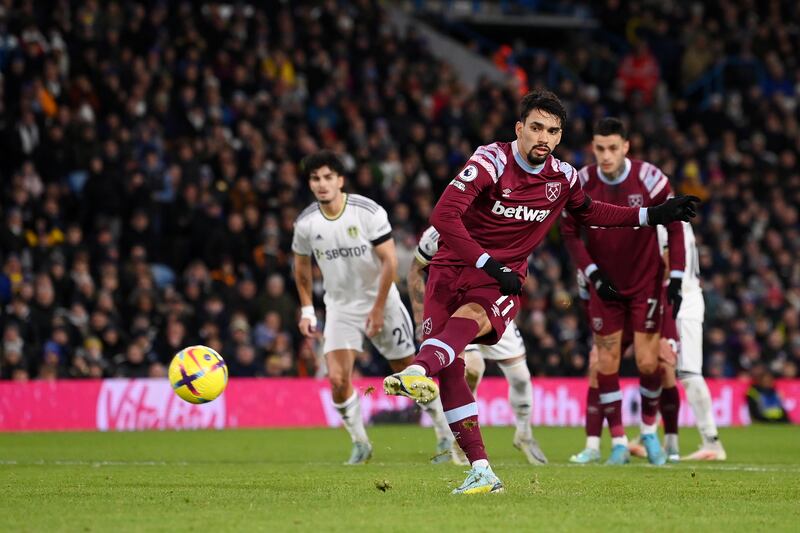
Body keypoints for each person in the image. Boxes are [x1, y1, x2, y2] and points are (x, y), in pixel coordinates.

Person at [382, 90, 699, 494]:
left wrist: (651, 214)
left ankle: (416, 369)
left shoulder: (563, 177)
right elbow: (443, 215)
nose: (543, 138)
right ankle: (482, 470)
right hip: (453, 268)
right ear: (519, 129)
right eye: (536, 128)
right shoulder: (491, 160)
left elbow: (591, 212)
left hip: (500, 281)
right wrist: (486, 262)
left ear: (560, 135)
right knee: (452, 370)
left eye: (552, 131)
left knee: (469, 325)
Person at [292, 151, 453, 465]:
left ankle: (444, 432)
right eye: (315, 179)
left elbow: (389, 262)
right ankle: (360, 443)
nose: (322, 184)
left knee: (409, 376)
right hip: (339, 307)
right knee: (338, 380)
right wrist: (308, 311)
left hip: (383, 301)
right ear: (310, 183)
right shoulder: (306, 223)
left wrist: (378, 309)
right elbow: (300, 269)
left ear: (340, 180)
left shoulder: (368, 212)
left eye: (328, 177)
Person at [561, 117, 686, 466]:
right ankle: (617, 441)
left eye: (613, 148)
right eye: (599, 148)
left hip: (645, 284)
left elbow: (675, 226)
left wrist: (675, 276)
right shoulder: (582, 182)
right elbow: (569, 233)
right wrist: (592, 272)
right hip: (606, 288)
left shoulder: (650, 179)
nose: (605, 155)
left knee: (650, 363)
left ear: (626, 147)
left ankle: (648, 432)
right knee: (605, 363)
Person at [409, 225, 547, 466]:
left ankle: (524, 434)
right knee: (472, 369)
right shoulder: (437, 233)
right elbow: (415, 270)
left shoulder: (505, 226)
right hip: (457, 312)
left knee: (521, 378)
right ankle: (462, 435)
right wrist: (421, 316)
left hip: (490, 306)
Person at [657, 223, 727, 460]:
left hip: (683, 300)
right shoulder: (680, 219)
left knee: (688, 373)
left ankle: (711, 441)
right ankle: (655, 436)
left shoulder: (664, 219)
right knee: (661, 366)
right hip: (676, 298)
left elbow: (666, 265)